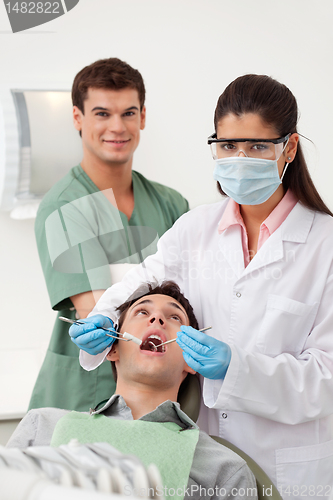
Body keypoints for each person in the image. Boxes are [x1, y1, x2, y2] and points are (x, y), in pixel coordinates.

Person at [70, 74, 333, 499]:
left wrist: (238, 370)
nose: (241, 158)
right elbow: (144, 281)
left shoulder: (326, 245)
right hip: (204, 464)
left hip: (294, 468)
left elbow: (327, 379)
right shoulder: (196, 229)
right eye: (228, 146)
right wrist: (101, 320)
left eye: (258, 146)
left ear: (289, 147)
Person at [29, 58, 189, 413]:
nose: (117, 127)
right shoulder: (63, 207)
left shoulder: (171, 203)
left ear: (143, 117)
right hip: (84, 395)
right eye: (102, 113)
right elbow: (100, 311)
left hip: (157, 395)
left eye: (128, 113)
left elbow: (194, 298)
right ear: (77, 118)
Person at [8, 282, 257, 500]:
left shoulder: (223, 469)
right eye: (142, 312)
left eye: (174, 318)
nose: (157, 319)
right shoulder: (41, 426)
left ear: (190, 360)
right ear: (112, 349)